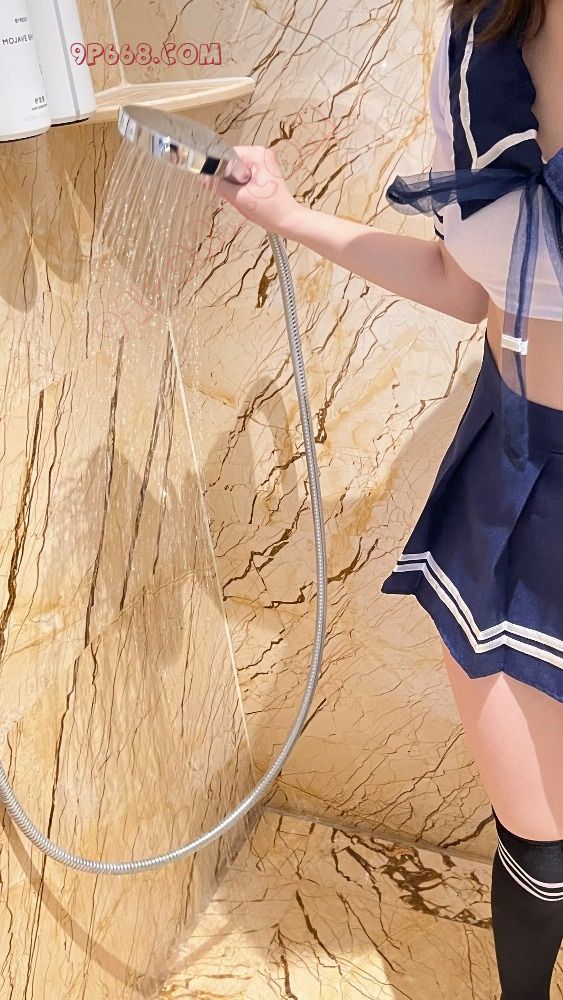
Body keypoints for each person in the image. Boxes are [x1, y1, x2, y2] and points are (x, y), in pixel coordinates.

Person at [204, 0, 563, 995]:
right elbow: (462, 281)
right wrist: (286, 215)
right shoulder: (477, 44)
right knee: (537, 843)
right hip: (512, 478)